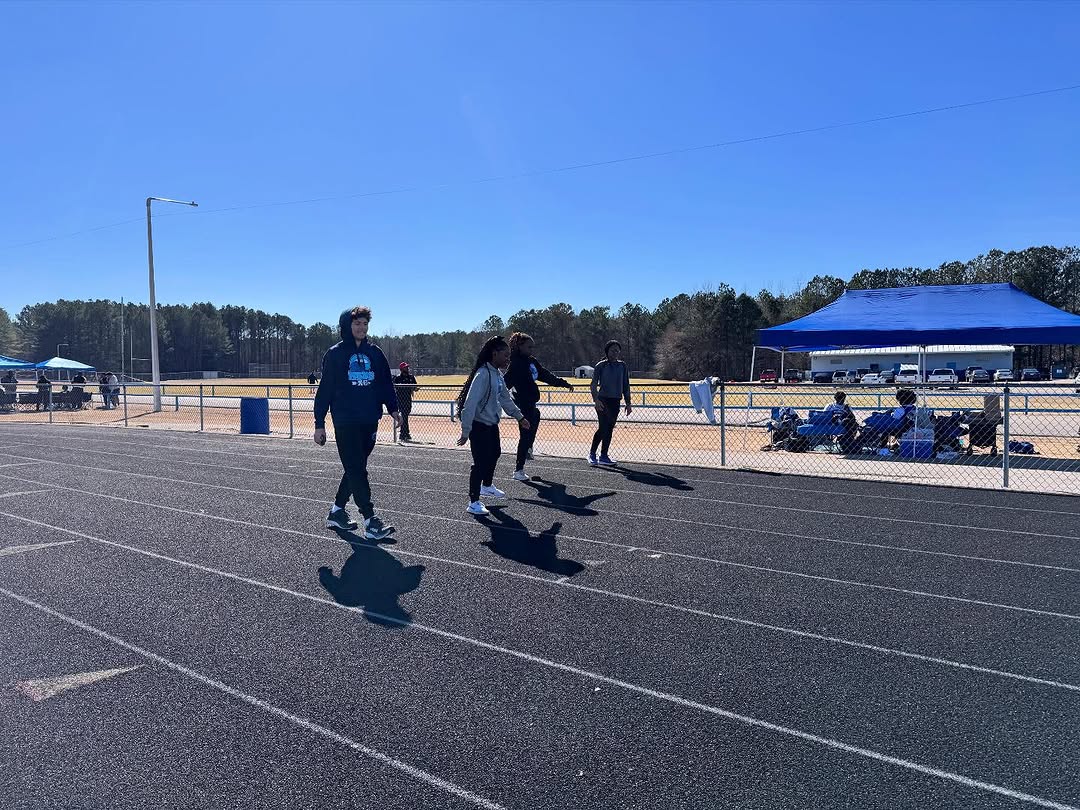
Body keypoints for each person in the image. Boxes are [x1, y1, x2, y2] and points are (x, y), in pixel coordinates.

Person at [314, 306, 400, 539]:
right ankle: (371, 521)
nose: (361, 328)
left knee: (355, 469)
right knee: (357, 470)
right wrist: (319, 423)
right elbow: (325, 390)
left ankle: (337, 511)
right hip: (345, 421)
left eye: (364, 324)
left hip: (369, 420)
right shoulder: (335, 354)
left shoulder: (375, 353)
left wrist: (393, 409)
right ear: (346, 326)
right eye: (357, 324)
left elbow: (384, 384)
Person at [455, 336, 530, 516]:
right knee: (480, 463)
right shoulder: (482, 375)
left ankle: (486, 486)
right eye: (505, 355)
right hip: (478, 426)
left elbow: (505, 398)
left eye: (509, 355)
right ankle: (473, 501)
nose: (508, 359)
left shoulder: (497, 375)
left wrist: (519, 417)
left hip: (492, 425)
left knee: (495, 453)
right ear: (494, 354)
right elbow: (470, 403)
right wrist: (466, 431)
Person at [503, 332, 573, 481]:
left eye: (532, 347)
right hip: (522, 404)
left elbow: (545, 375)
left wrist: (562, 383)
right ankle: (518, 470)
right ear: (519, 346)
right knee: (525, 435)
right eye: (529, 347)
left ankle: (528, 448)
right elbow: (505, 383)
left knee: (536, 416)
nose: (531, 349)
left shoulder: (532, 361)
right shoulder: (515, 363)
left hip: (531, 404)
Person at [588, 340, 632, 466]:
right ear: (607, 351)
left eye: (617, 350)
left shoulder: (622, 366)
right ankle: (592, 453)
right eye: (613, 350)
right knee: (603, 428)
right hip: (603, 400)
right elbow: (593, 384)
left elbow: (626, 385)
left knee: (610, 428)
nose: (616, 352)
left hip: (615, 401)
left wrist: (628, 403)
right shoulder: (601, 365)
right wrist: (596, 400)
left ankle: (604, 455)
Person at [395, 362, 419, 442]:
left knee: (405, 416)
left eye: (407, 367)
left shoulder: (411, 377)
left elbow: (415, 386)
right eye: (405, 368)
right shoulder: (398, 378)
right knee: (404, 416)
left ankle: (405, 433)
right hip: (400, 400)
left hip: (408, 400)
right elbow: (395, 388)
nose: (407, 369)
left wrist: (415, 389)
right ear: (401, 369)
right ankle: (404, 433)